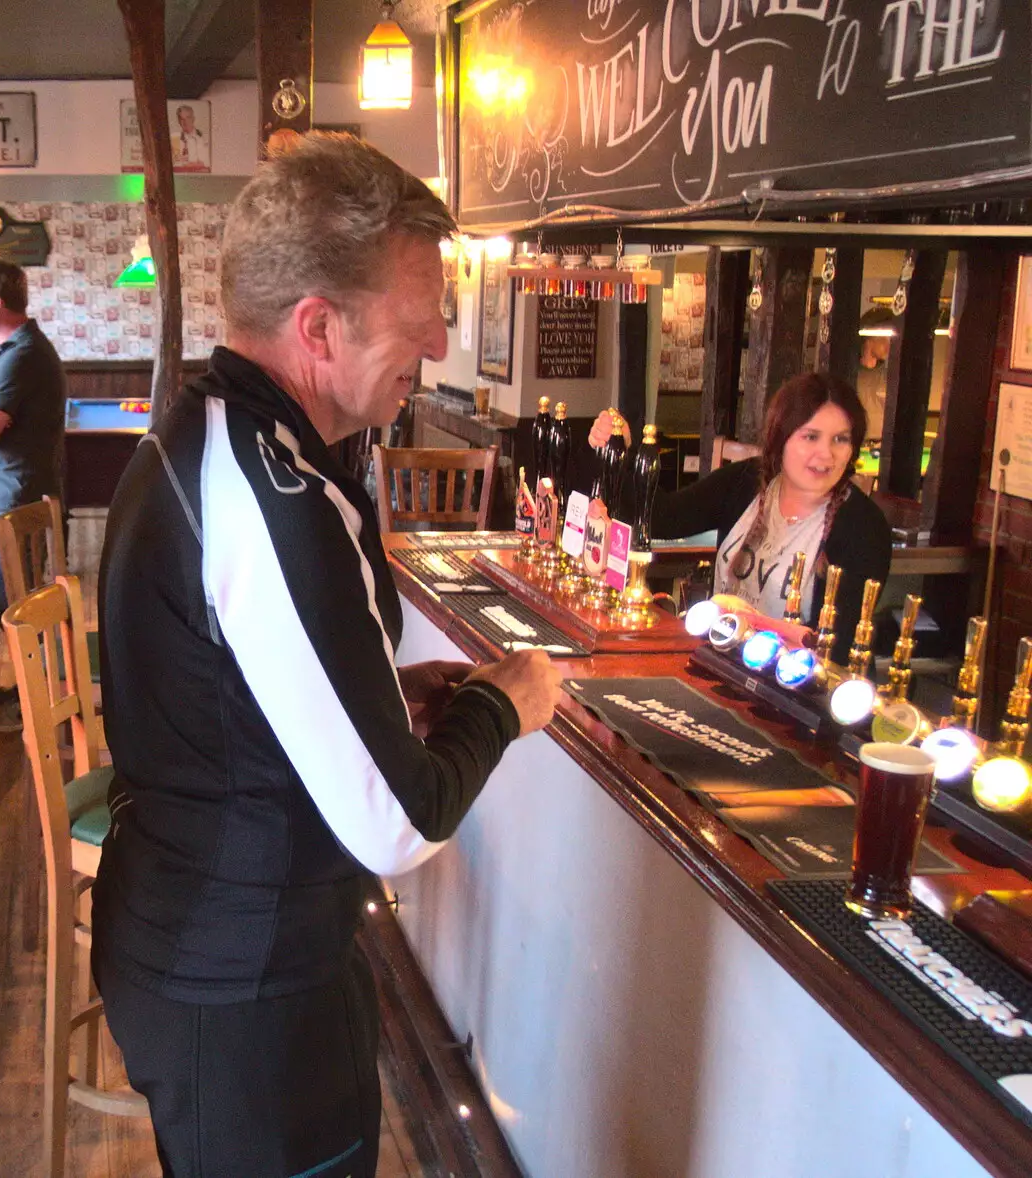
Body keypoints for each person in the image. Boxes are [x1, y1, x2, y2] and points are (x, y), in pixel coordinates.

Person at [93, 132, 563, 1178]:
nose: (438, 343)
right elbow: (397, 823)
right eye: (420, 316)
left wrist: (382, 695)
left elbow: (232, 695)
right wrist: (508, 703)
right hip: (242, 981)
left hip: (227, 952)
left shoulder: (228, 434)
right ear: (317, 326)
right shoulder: (272, 492)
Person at [589, 372, 891, 660]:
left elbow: (834, 648)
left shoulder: (863, 528)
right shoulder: (749, 480)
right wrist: (622, 452)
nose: (826, 454)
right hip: (718, 660)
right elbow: (662, 518)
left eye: (840, 439)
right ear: (782, 437)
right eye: (810, 437)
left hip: (791, 690)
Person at [0, 257, 67, 734]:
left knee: (19, 605)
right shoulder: (9, 349)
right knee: (12, 602)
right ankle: (27, 690)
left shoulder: (22, 354)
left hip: (17, 501)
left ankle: (32, 707)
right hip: (7, 497)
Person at [855, 306, 895, 446]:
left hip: (881, 447)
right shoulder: (850, 374)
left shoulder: (890, 376)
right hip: (857, 446)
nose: (889, 345)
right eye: (886, 338)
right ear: (871, 338)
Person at [174, 103, 210, 171]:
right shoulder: (175, 139)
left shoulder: (204, 138)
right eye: (182, 119)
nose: (185, 122)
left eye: (188, 118)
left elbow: (207, 163)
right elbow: (174, 164)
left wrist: (187, 164)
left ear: (193, 119)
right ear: (179, 121)